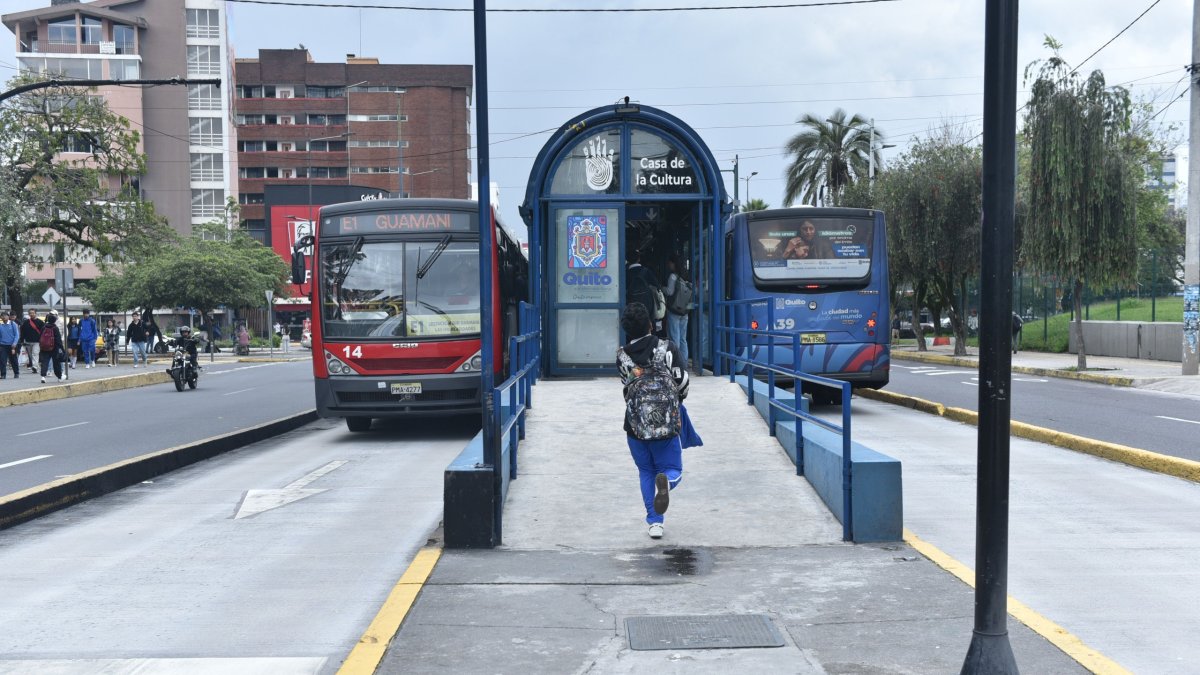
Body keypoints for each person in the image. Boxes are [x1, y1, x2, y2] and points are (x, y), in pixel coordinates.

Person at [616, 301, 690, 540]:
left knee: (646, 471)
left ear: (627, 330)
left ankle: (655, 523)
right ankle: (667, 484)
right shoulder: (667, 348)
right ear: (650, 323)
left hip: (635, 428)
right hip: (666, 426)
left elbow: (627, 388)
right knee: (673, 470)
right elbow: (682, 384)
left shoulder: (622, 355)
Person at [626, 249, 664, 337]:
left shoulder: (625, 273)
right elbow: (657, 287)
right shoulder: (646, 272)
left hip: (631, 305)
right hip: (648, 305)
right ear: (639, 259)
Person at [664, 254, 691, 368]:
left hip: (674, 310)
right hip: (684, 311)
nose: (668, 265)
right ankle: (684, 363)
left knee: (675, 338)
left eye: (669, 262)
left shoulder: (673, 277)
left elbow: (669, 292)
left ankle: (676, 364)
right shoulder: (685, 276)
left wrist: (661, 288)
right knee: (683, 339)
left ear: (673, 263)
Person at [38, 312, 65, 383]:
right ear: (54, 320)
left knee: (45, 362)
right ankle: (59, 377)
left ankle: (43, 377)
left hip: (44, 348)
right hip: (54, 348)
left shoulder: (44, 327)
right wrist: (61, 348)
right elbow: (58, 339)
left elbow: (40, 337)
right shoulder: (55, 328)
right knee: (56, 363)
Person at [19, 309, 44, 375]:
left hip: (37, 341)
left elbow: (43, 332)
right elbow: (22, 332)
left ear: (36, 313)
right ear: (28, 314)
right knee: (30, 355)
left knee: (35, 354)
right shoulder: (26, 322)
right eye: (30, 313)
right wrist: (22, 340)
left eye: (33, 313)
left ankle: (35, 367)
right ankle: (35, 366)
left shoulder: (40, 322)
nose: (31, 314)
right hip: (28, 341)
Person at [0, 311, 20, 379]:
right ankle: (3, 374)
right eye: (2, 316)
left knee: (13, 360)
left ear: (8, 316)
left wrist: (14, 343)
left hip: (12, 345)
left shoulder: (13, 324)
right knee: (2, 360)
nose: (3, 317)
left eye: (5, 315)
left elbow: (17, 335)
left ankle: (16, 373)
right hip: (3, 345)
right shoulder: (1, 325)